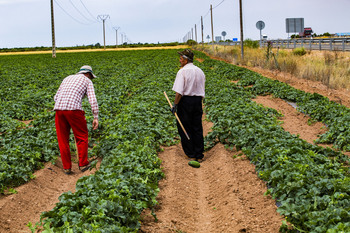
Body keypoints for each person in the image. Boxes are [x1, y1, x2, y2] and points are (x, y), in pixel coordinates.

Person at [54, 65, 99, 174]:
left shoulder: (67, 78)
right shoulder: (87, 81)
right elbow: (92, 100)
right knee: (82, 136)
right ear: (88, 74)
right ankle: (83, 163)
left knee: (62, 139)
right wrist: (95, 117)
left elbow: (56, 97)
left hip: (59, 110)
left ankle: (67, 167)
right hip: (74, 110)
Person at [171, 49, 206, 162]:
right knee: (197, 127)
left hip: (185, 102)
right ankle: (199, 154)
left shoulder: (182, 72)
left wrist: (175, 104)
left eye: (181, 58)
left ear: (186, 60)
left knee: (185, 127)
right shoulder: (200, 71)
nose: (179, 60)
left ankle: (191, 154)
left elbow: (179, 92)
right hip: (197, 102)